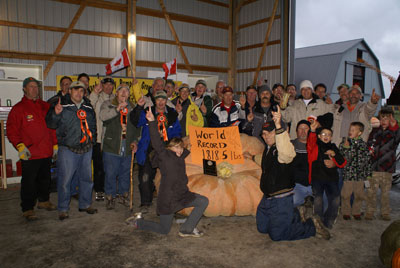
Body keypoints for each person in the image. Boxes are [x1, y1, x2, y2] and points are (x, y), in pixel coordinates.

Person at [125, 108, 209, 237]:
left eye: (180, 147)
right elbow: (157, 142)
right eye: (176, 147)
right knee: (164, 229)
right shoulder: (165, 156)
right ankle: (138, 223)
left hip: (182, 195)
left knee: (203, 201)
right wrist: (152, 121)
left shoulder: (181, 156)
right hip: (168, 199)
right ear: (169, 148)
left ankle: (186, 229)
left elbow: (192, 148)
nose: (179, 150)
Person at [255, 106, 330, 241]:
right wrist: (251, 156)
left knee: (277, 235)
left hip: (281, 200)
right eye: (264, 134)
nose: (266, 137)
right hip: (267, 197)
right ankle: (295, 214)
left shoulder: (285, 147)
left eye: (270, 133)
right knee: (262, 227)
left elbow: (287, 155)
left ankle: (311, 226)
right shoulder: (268, 148)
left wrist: (279, 126)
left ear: (278, 133)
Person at [7, 77, 57, 220]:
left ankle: (43, 201)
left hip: (46, 151)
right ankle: (27, 208)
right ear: (24, 89)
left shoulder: (45, 106)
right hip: (30, 153)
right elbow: (11, 131)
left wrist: (55, 144)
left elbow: (52, 127)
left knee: (45, 179)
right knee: (29, 182)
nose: (35, 89)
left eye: (36, 87)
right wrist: (20, 146)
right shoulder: (18, 109)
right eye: (31, 87)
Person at [46, 81, 97, 220]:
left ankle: (85, 204)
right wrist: (56, 114)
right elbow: (50, 123)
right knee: (65, 179)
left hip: (86, 149)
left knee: (86, 178)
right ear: (70, 91)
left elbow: (92, 125)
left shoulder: (88, 106)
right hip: (68, 148)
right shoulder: (61, 104)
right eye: (75, 90)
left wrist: (92, 142)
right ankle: (63, 208)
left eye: (81, 91)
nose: (78, 93)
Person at [130, 90, 181, 212]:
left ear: (166, 101)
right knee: (145, 175)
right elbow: (136, 121)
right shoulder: (148, 112)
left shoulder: (173, 115)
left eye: (163, 99)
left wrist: (172, 146)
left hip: (166, 150)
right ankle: (145, 203)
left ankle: (169, 202)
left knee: (168, 177)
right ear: (155, 100)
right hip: (148, 148)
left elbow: (177, 133)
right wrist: (138, 107)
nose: (161, 102)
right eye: (158, 99)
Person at [99, 84, 141, 209]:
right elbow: (103, 117)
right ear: (116, 93)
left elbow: (138, 127)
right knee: (110, 174)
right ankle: (110, 197)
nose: (124, 93)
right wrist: (117, 109)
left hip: (127, 147)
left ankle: (123, 196)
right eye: (121, 91)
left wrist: (135, 141)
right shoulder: (108, 104)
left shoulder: (133, 107)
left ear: (129, 94)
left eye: (126, 91)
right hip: (111, 146)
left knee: (125, 174)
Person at [307, 120, 346, 229]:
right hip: (317, 178)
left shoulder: (333, 147)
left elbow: (342, 162)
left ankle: (328, 221)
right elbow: (310, 143)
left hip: (331, 179)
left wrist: (334, 156)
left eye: (329, 135)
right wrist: (313, 131)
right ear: (319, 136)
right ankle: (318, 222)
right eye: (323, 134)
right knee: (318, 199)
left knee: (336, 199)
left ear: (332, 137)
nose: (326, 136)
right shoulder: (315, 146)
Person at [366, 108, 400, 221]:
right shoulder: (375, 131)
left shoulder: (394, 132)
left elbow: (397, 138)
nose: (384, 120)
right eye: (382, 118)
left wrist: (395, 126)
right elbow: (369, 143)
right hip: (374, 167)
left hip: (387, 168)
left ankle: (385, 212)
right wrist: (369, 149)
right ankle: (370, 211)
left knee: (385, 192)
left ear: (391, 119)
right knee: (371, 191)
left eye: (387, 118)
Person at [88, 76, 116, 201]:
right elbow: (89, 104)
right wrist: (94, 93)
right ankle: (99, 190)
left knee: (110, 166)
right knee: (99, 167)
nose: (109, 87)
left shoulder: (116, 99)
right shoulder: (97, 98)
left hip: (112, 139)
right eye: (106, 85)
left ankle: (110, 188)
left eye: (111, 85)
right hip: (99, 138)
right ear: (102, 86)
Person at [339, 122, 371, 220]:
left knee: (360, 195)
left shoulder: (364, 145)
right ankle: (346, 211)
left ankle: (356, 211)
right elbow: (342, 157)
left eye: (353, 130)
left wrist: (368, 174)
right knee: (346, 195)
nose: (350, 132)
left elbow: (367, 160)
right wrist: (346, 148)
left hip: (360, 175)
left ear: (360, 133)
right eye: (349, 130)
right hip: (348, 174)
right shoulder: (345, 143)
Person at [291, 120, 313, 207]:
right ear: (296, 131)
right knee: (294, 201)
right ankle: (304, 199)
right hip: (297, 185)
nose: (303, 131)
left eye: (306, 129)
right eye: (300, 129)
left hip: (314, 184)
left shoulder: (316, 146)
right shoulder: (290, 145)